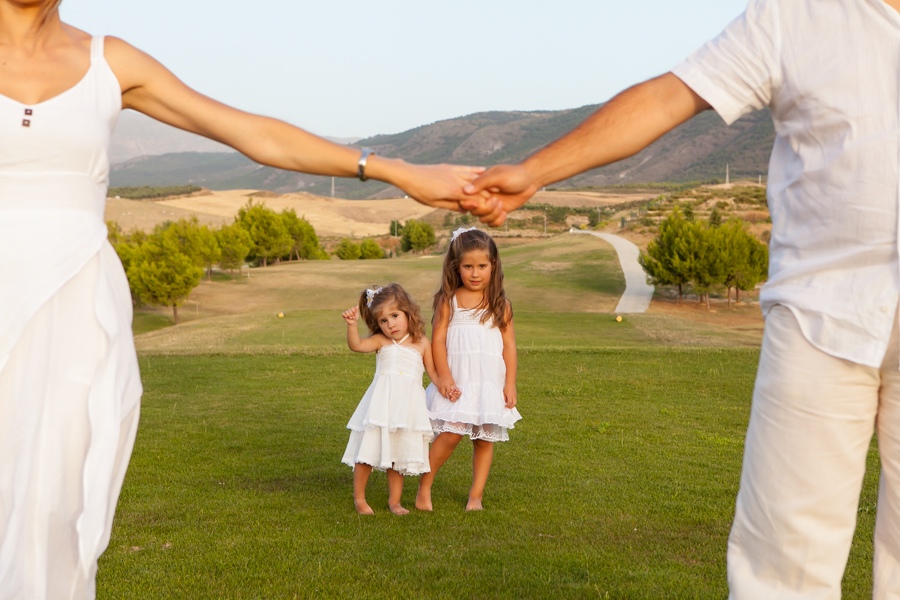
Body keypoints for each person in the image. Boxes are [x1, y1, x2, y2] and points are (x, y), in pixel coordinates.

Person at [0, 1, 491, 597]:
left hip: (75, 306)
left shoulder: (110, 60)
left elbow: (250, 132)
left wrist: (392, 169)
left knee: (58, 504)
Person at [462, 0, 900, 597]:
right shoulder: (796, 13)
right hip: (818, 312)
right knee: (784, 558)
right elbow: (669, 97)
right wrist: (536, 170)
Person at [415, 228, 520, 512]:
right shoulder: (449, 301)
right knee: (450, 434)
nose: (475, 273)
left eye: (482, 266)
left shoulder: (501, 305)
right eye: (468, 266)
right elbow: (437, 340)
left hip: (488, 383)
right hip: (459, 381)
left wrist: (509, 384)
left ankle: (476, 497)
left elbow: (509, 348)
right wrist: (444, 376)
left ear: (493, 266)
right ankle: (424, 487)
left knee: (485, 439)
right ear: (456, 267)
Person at [340, 284, 438, 516]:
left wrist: (447, 387)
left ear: (408, 312)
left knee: (398, 455)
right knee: (368, 452)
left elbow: (433, 373)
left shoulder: (422, 342)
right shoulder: (380, 341)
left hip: (407, 407)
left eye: (394, 316)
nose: (390, 324)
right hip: (381, 405)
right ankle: (360, 498)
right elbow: (356, 346)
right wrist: (352, 326)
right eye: (383, 321)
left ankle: (395, 502)